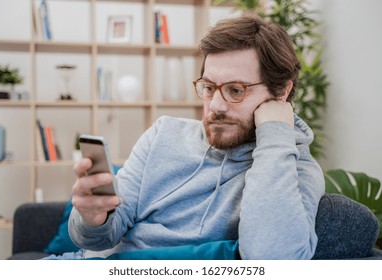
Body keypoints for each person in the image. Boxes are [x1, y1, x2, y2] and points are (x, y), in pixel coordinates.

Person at [68, 15, 325, 260]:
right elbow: (98, 239)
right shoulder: (163, 133)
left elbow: (271, 260)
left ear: (281, 91)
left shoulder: (294, 169)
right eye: (209, 87)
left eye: (236, 90)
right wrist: (93, 218)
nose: (215, 106)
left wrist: (276, 133)